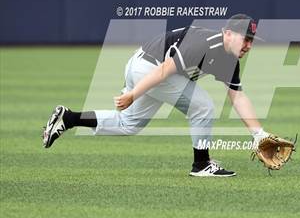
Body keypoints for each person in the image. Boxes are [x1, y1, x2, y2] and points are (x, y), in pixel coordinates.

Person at [42, 14, 272, 177]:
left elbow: (237, 97)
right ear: (228, 34)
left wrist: (259, 134)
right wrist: (133, 94)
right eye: (245, 38)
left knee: (128, 124)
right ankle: (201, 164)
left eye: (252, 41)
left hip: (145, 67)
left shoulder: (230, 60)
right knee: (202, 106)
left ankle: (69, 118)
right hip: (149, 68)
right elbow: (164, 70)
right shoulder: (203, 42)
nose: (248, 45)